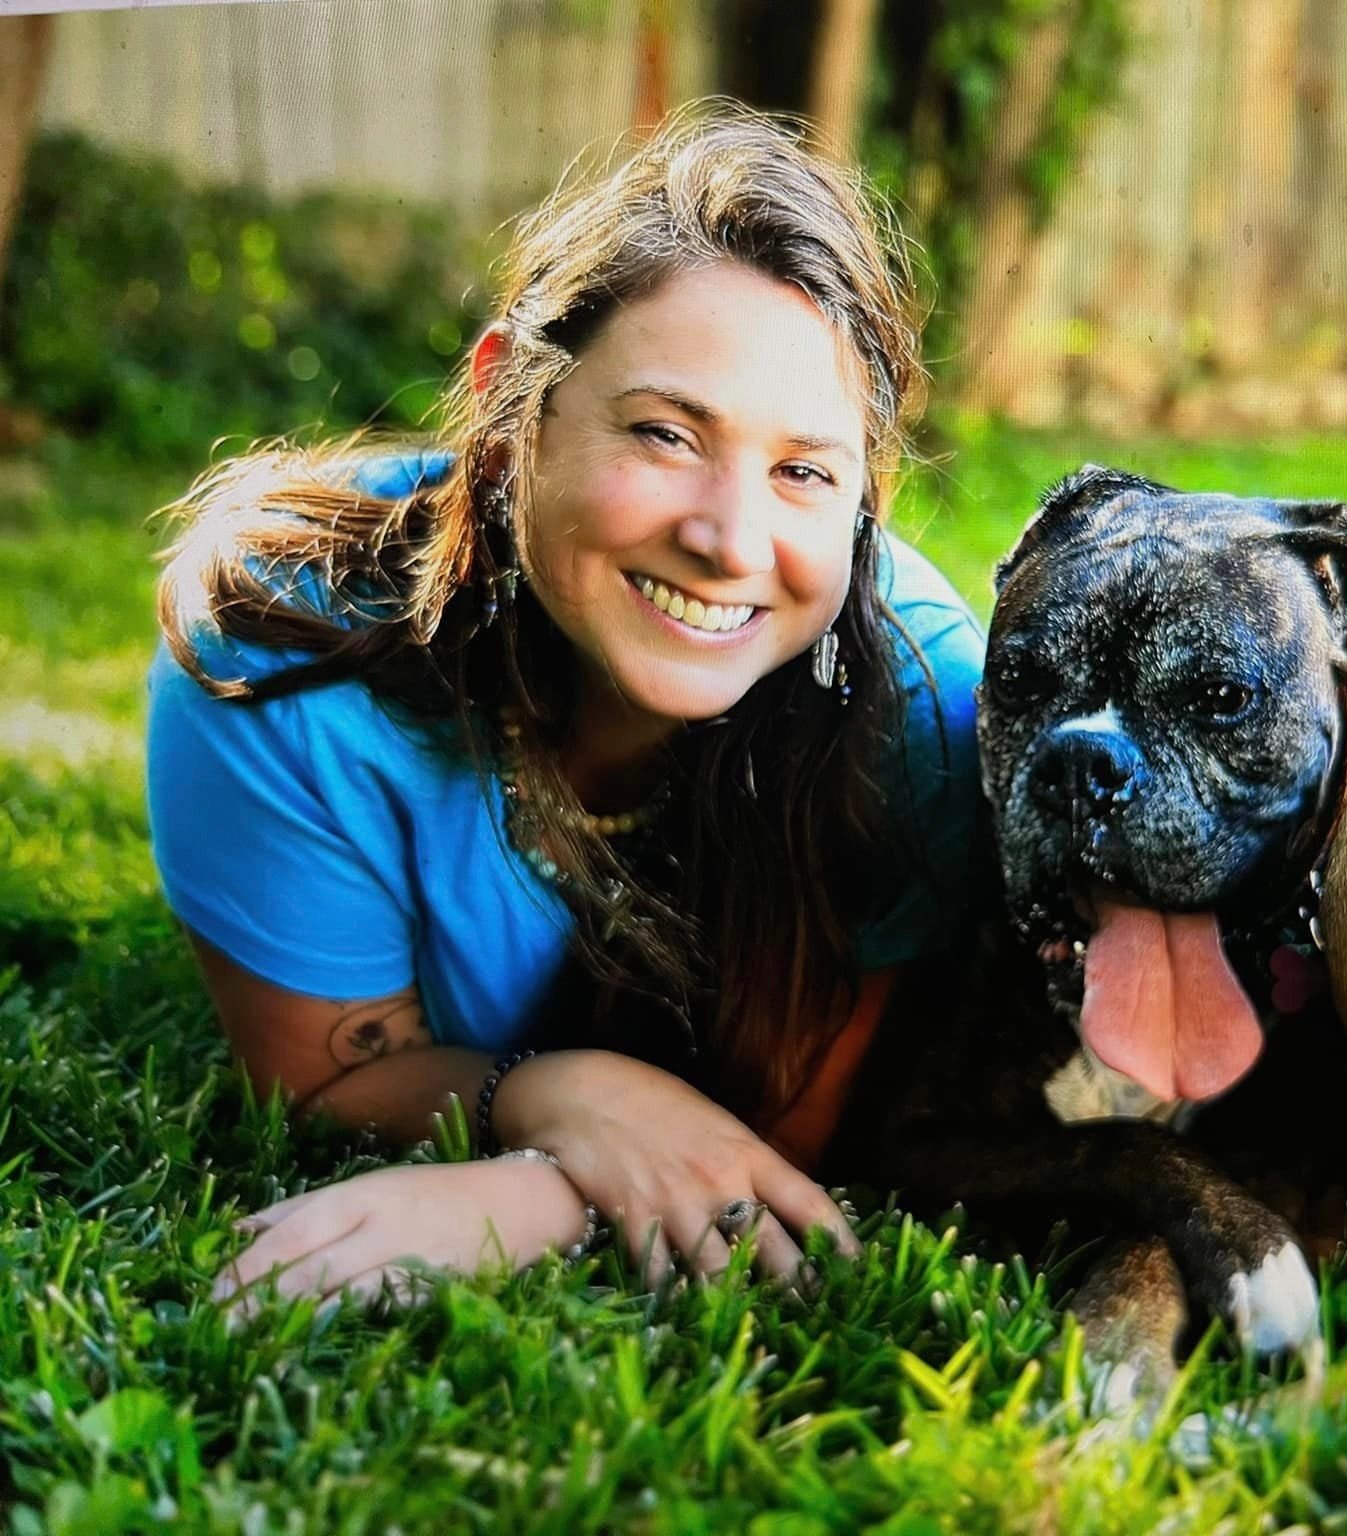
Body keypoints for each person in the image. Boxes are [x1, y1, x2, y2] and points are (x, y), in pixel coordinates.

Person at [145, 106, 985, 1313]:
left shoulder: (915, 710)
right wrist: (554, 1092)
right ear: (510, 406)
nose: (727, 539)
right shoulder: (282, 649)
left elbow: (795, 1136)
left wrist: (540, 1193)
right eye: (663, 432)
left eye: (803, 471)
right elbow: (320, 1076)